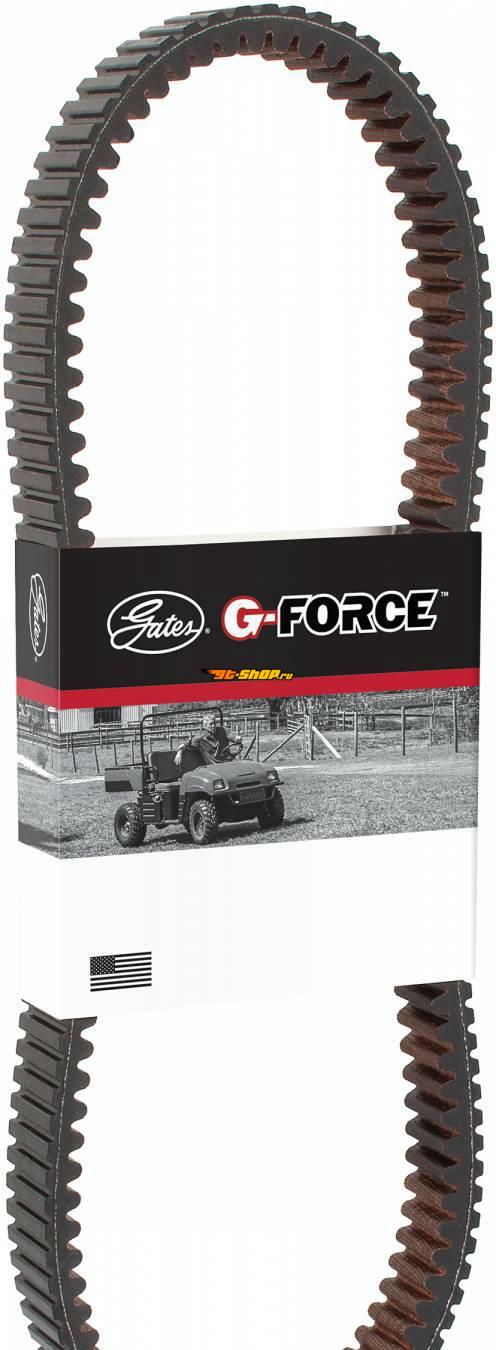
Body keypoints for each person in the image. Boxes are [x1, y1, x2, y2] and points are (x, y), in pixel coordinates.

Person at [174, 714, 242, 767]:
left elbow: (232, 735)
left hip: (229, 762)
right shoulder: (201, 737)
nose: (213, 726)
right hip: (215, 766)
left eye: (214, 723)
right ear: (205, 726)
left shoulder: (223, 730)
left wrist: (237, 738)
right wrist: (179, 752)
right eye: (210, 724)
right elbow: (186, 744)